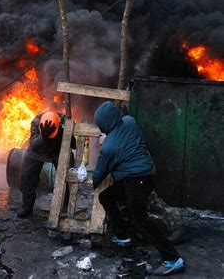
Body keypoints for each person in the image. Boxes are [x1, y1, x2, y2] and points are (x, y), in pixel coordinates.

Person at [92, 101, 185, 276]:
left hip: (138, 180)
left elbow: (100, 172)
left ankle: (172, 259)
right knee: (107, 197)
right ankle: (122, 236)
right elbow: (122, 132)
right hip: (140, 177)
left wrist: (92, 183)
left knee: (141, 218)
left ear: (104, 123)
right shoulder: (129, 121)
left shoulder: (109, 146)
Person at [17, 110, 75, 218]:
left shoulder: (64, 123)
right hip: (38, 151)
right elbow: (34, 144)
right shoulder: (36, 122)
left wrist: (66, 133)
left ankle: (64, 208)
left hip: (57, 151)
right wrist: (43, 136)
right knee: (27, 177)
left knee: (66, 178)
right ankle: (27, 208)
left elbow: (75, 144)